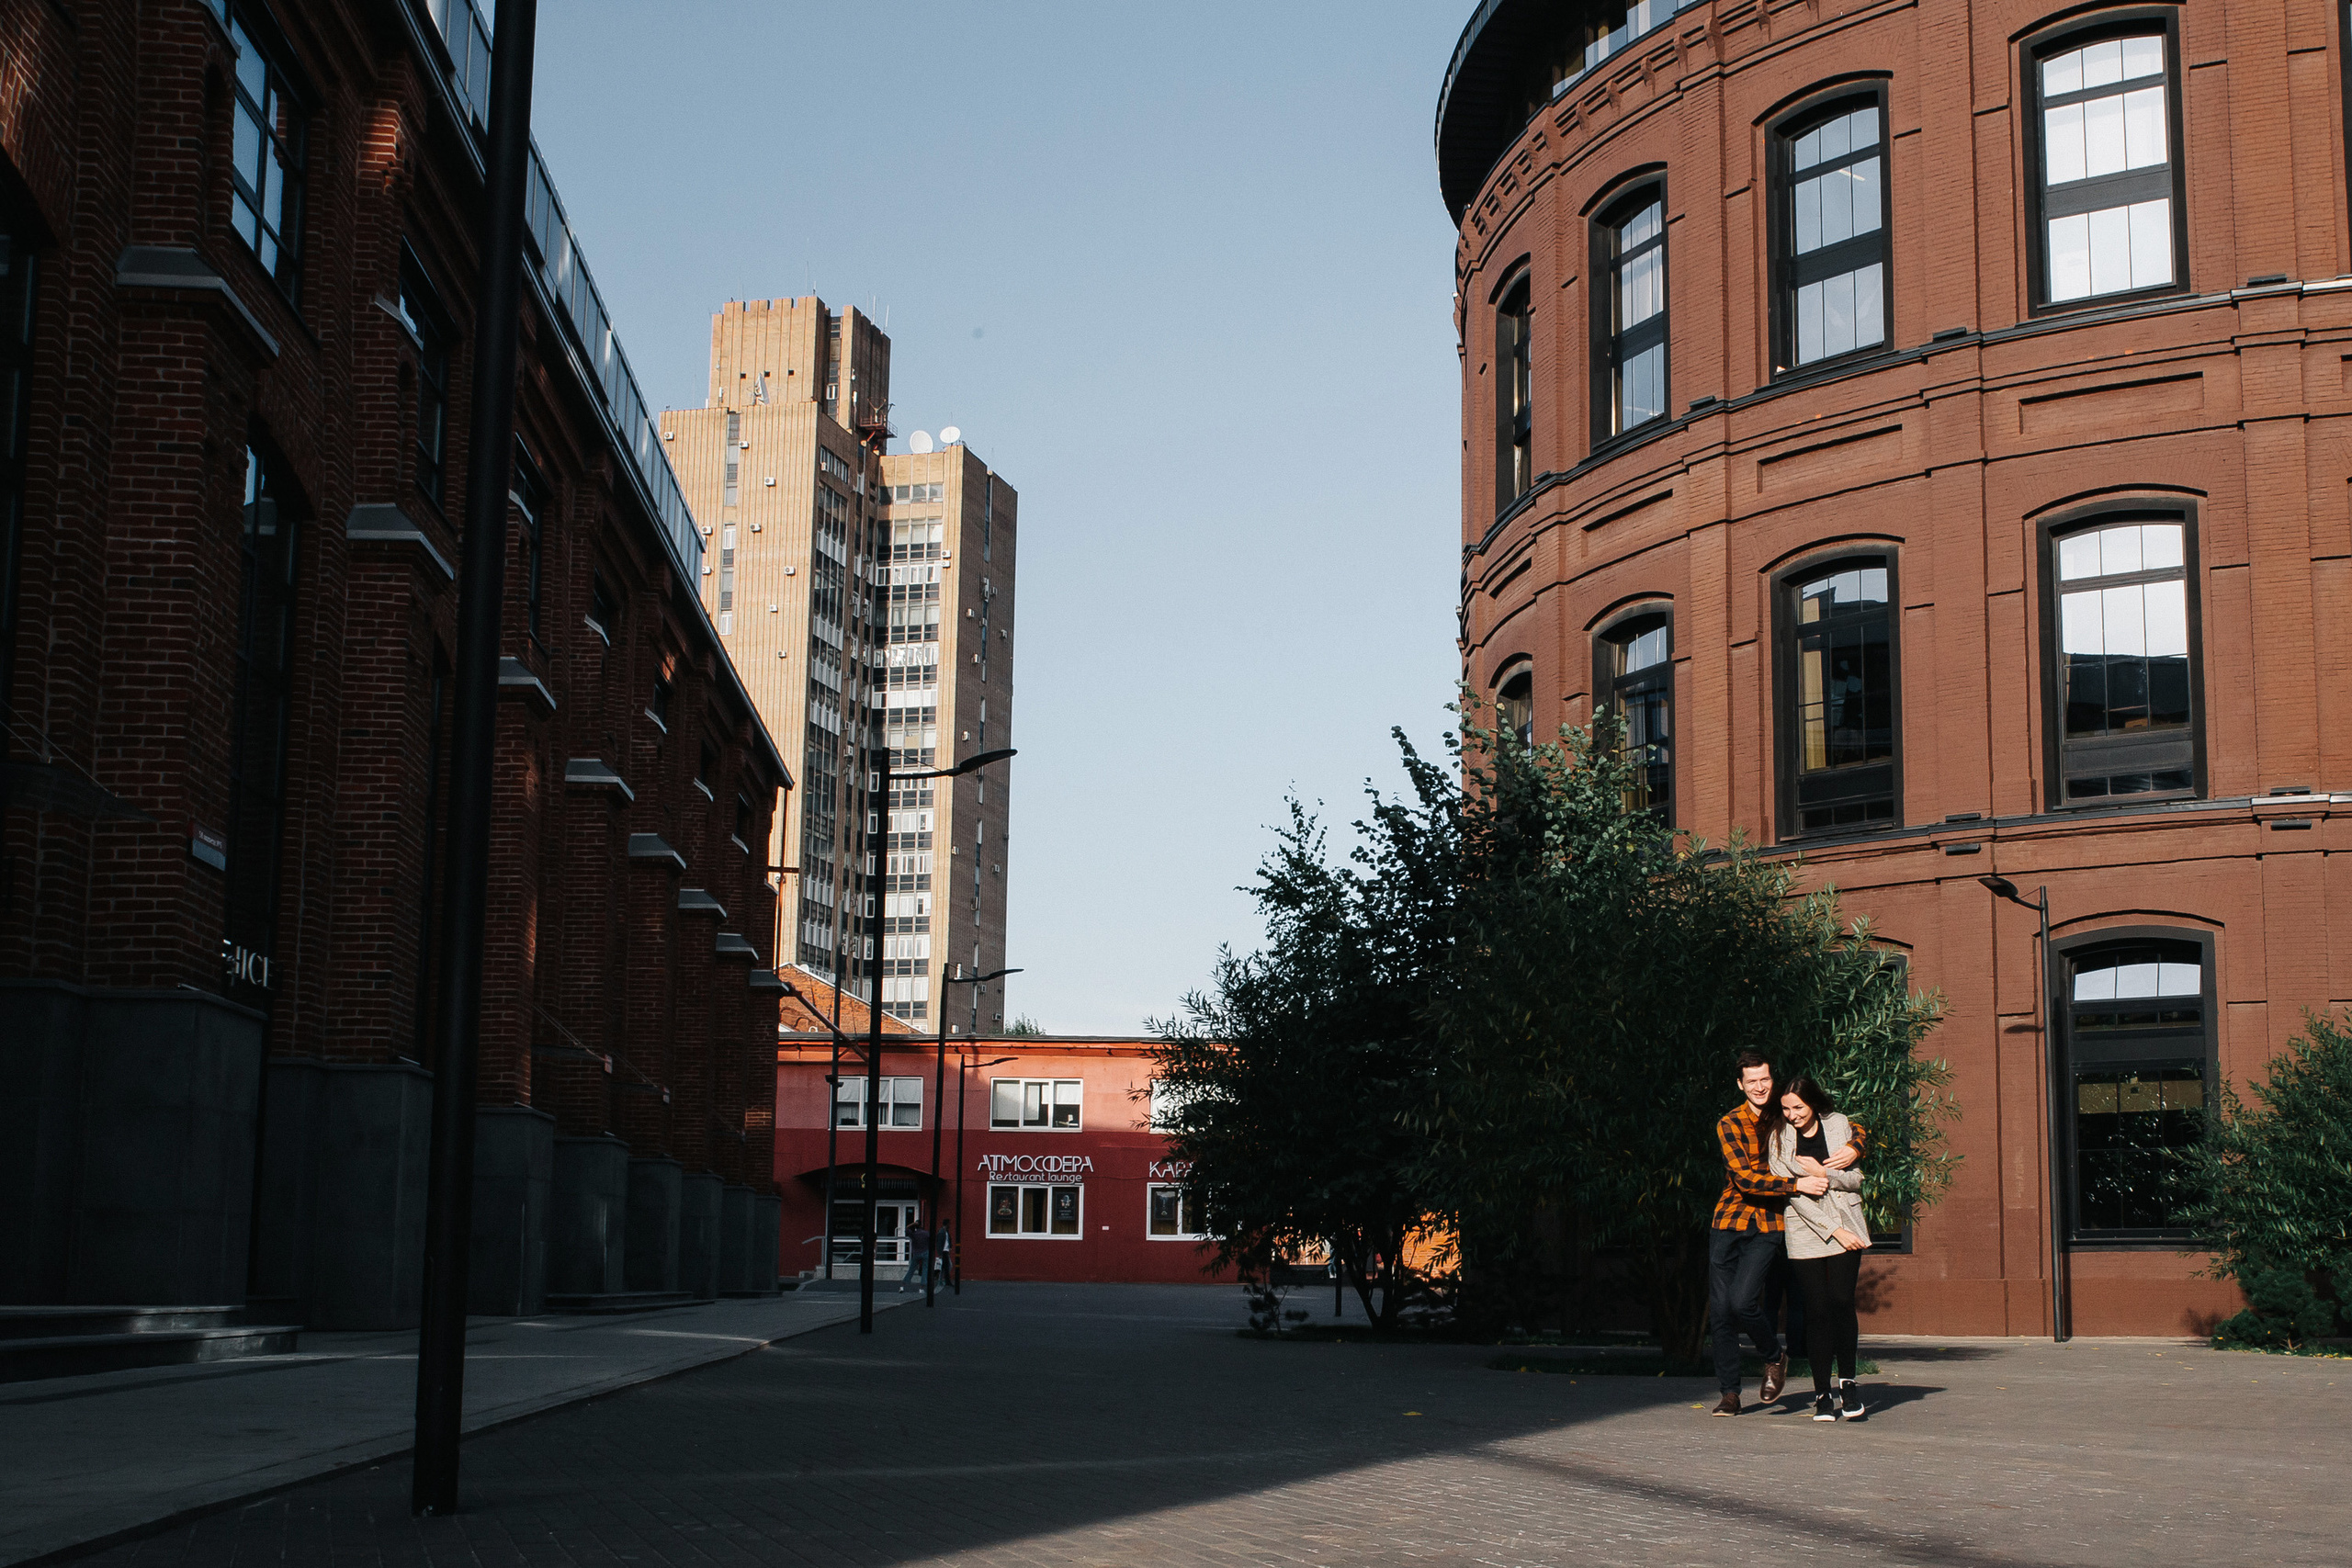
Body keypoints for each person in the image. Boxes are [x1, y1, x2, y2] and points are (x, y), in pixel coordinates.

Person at [1709, 1051, 1859, 1416]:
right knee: (1721, 1311)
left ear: (1771, 1080)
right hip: (1729, 1221)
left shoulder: (1786, 1112)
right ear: (1740, 1085)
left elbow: (1834, 1120)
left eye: (1765, 1079)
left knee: (1743, 1300)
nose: (1760, 1087)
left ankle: (1775, 1358)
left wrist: (1857, 1145)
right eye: (1752, 1081)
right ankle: (1730, 1393)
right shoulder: (1729, 1123)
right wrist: (1797, 1183)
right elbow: (1744, 1178)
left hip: (1770, 1223)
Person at [1770, 1075, 1871, 1422]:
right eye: (1785, 1108)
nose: (1792, 1114)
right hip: (1806, 1228)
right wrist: (1835, 1231)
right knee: (1816, 1310)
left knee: (1841, 1302)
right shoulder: (1779, 1138)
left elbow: (1856, 1179)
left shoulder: (1839, 1124)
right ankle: (1822, 1394)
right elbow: (1793, 1194)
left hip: (1849, 1222)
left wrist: (1825, 1175)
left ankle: (1848, 1384)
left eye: (1798, 1107)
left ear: (1813, 1102)